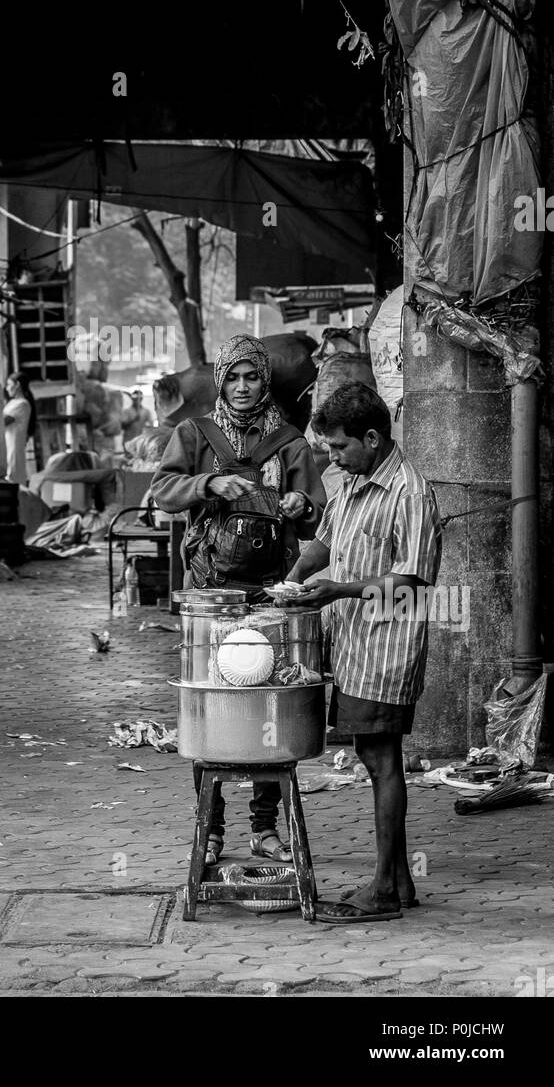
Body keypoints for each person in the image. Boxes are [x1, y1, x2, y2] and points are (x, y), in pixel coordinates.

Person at [151, 334, 325, 866]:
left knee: (272, 701)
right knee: (212, 703)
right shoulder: (194, 433)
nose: (243, 387)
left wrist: (299, 502)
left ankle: (264, 828)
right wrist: (208, 483)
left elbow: (317, 509)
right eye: (234, 377)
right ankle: (213, 829)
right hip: (211, 595)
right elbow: (162, 490)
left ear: (264, 381)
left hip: (271, 594)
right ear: (220, 381)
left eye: (252, 377)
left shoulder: (290, 441)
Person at [285, 381, 442, 923]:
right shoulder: (352, 482)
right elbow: (325, 543)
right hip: (352, 644)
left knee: (381, 759)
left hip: (386, 648)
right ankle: (399, 882)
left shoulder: (410, 492)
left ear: (372, 438)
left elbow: (413, 582)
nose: (331, 456)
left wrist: (337, 590)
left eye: (338, 447)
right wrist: (292, 580)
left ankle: (382, 889)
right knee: (376, 759)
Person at [3, 371, 37, 486]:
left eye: (8, 384)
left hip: (13, 451)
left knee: (12, 482)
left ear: (17, 384)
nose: (7, 388)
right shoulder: (12, 403)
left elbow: (2, 421)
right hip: (6, 449)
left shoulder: (22, 404)